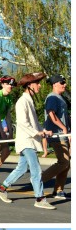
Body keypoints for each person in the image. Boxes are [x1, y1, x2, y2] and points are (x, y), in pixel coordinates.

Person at [0, 72, 56, 210]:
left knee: (21, 168)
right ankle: (39, 198)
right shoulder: (22, 101)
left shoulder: (29, 100)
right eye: (37, 83)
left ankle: (2, 188)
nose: (39, 85)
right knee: (36, 170)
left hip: (29, 140)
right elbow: (22, 123)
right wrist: (37, 132)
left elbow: (33, 123)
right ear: (29, 86)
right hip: (26, 141)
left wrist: (43, 131)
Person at [40, 73, 69, 202]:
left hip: (64, 134)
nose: (65, 84)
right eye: (62, 82)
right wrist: (63, 128)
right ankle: (38, 180)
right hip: (57, 134)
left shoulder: (60, 98)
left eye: (65, 82)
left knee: (66, 164)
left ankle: (58, 190)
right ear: (55, 84)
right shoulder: (52, 97)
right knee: (64, 162)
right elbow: (51, 114)